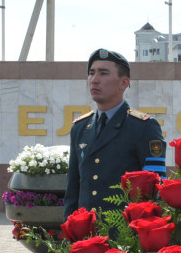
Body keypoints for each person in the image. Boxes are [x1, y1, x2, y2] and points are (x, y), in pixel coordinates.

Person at [64, 48, 166, 217]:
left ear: (124, 83)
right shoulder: (80, 127)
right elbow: (73, 188)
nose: (94, 80)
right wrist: (70, 232)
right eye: (91, 73)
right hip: (87, 235)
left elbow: (157, 186)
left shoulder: (143, 127)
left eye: (103, 73)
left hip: (124, 235)